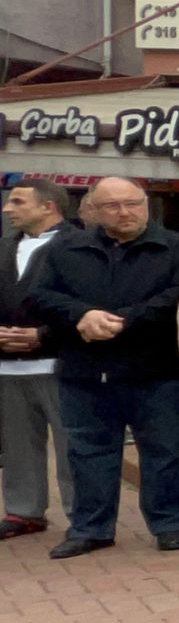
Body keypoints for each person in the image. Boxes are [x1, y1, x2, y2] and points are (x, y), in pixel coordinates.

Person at [31, 176, 179, 559]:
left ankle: (171, 524)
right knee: (88, 452)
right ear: (92, 209)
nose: (124, 212)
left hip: (154, 368)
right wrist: (81, 316)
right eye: (113, 206)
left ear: (146, 204)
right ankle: (91, 528)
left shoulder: (176, 247)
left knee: (165, 452)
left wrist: (124, 320)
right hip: (85, 370)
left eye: (132, 203)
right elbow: (38, 296)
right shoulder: (66, 247)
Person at [0, 179, 75, 540]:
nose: (7, 209)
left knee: (71, 445)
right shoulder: (3, 247)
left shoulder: (79, 246)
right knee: (17, 444)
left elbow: (89, 302)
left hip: (62, 362)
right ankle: (23, 511)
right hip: (7, 365)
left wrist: (42, 335)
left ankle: (83, 515)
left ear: (48, 206)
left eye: (17, 202)